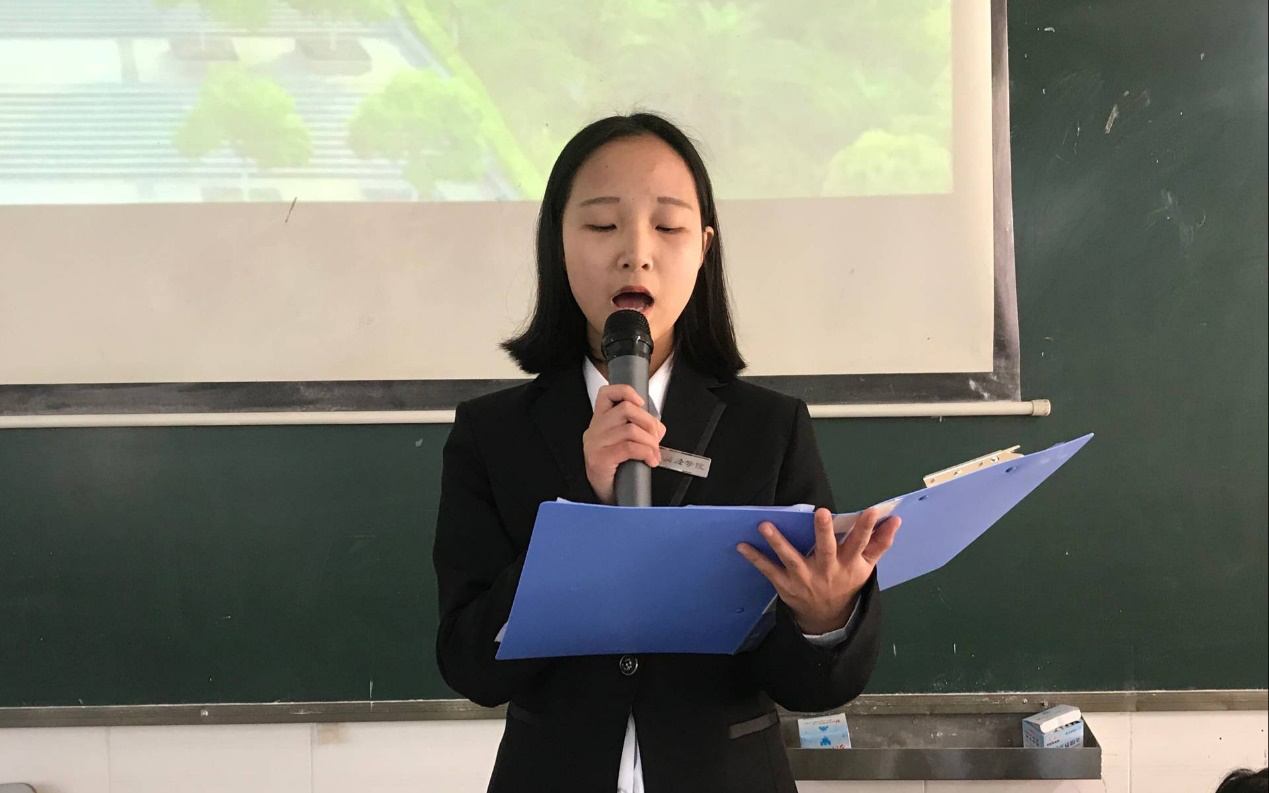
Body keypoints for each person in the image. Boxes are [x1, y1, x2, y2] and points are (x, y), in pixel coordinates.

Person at [433, 112, 900, 793]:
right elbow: (470, 666)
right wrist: (586, 515)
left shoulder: (769, 427)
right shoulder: (493, 432)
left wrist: (823, 616)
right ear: (557, 241)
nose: (635, 252)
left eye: (668, 226)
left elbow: (812, 687)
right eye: (602, 225)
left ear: (704, 247)